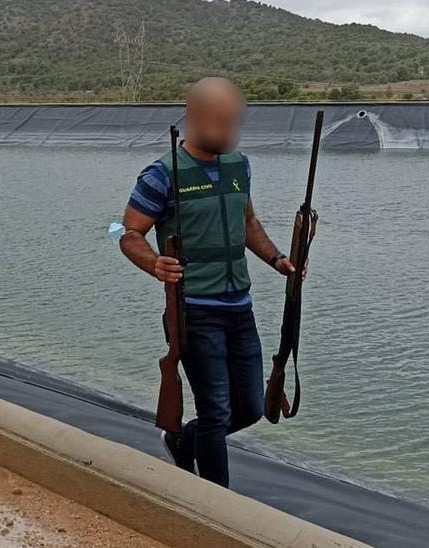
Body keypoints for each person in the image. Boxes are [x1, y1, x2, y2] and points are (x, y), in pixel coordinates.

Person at [118, 77, 304, 488]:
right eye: (219, 122)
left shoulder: (239, 165)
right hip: (194, 311)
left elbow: (248, 222)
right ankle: (218, 502)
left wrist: (277, 259)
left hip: (240, 307)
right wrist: (155, 264)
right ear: (194, 119)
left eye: (233, 122)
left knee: (251, 407)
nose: (228, 131)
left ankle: (184, 441)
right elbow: (125, 232)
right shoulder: (161, 174)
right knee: (216, 411)